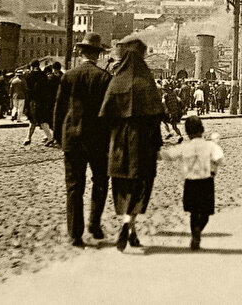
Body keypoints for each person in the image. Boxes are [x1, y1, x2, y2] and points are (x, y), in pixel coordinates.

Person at [98, 34, 164, 251]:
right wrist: (157, 143)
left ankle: (130, 228)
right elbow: (157, 117)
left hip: (119, 144)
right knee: (140, 185)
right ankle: (130, 224)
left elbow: (105, 116)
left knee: (123, 186)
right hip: (143, 144)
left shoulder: (117, 81)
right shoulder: (147, 82)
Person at [53, 33, 112, 248]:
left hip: (72, 138)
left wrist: (59, 138)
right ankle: (94, 224)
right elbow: (109, 112)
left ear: (81, 52)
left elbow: (59, 109)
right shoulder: (104, 78)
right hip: (97, 140)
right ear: (98, 54)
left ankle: (74, 233)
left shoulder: (69, 76)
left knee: (74, 186)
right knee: (101, 182)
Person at [159, 115, 224, 250]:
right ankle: (198, 231)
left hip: (190, 183)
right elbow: (220, 160)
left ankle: (195, 233)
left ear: (187, 132)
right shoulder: (210, 145)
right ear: (202, 129)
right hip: (206, 182)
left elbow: (167, 155)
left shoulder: (184, 147)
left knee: (193, 213)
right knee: (205, 213)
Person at [24, 60, 52, 146]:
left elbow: (28, 89)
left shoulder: (30, 75)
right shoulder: (43, 75)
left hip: (34, 101)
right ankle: (28, 138)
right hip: (43, 101)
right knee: (34, 120)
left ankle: (50, 137)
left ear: (32, 66)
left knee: (39, 120)